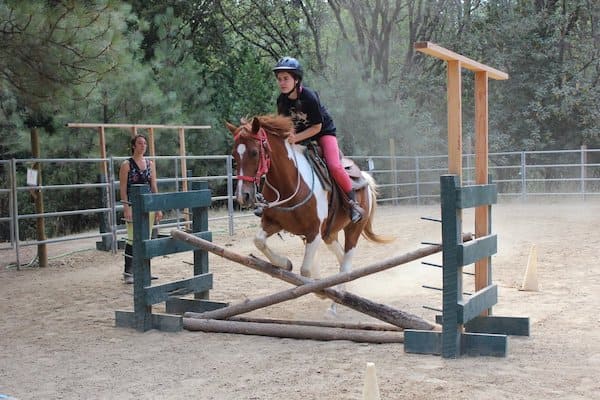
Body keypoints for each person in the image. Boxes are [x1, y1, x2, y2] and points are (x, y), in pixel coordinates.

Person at [273, 56, 364, 223]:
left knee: (334, 166)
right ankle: (271, 203)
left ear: (296, 79)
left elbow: (316, 127)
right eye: (279, 79)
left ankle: (353, 203)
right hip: (299, 137)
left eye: (286, 78)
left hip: (323, 133)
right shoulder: (281, 100)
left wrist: (296, 138)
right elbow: (286, 125)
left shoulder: (309, 97)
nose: (282, 83)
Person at [119, 134, 162, 283]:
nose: (143, 146)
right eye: (139, 143)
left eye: (145, 143)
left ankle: (145, 270)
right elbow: (123, 188)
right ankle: (128, 272)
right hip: (133, 205)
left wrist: (158, 207)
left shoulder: (150, 164)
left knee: (147, 238)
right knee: (132, 238)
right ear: (133, 146)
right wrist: (126, 208)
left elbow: (154, 186)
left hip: (148, 205)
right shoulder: (126, 165)